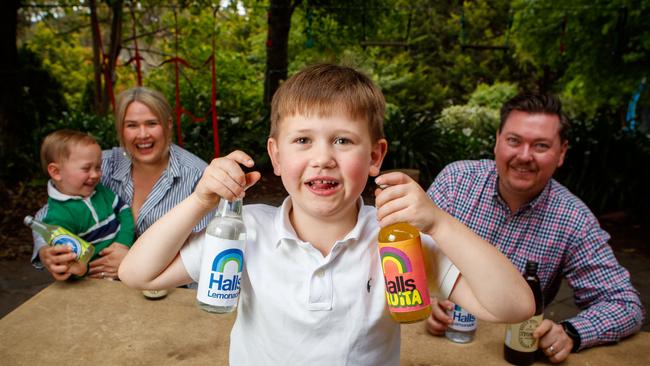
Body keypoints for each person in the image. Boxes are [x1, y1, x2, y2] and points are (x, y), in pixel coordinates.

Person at [118, 64, 534, 365]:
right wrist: (201, 201)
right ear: (276, 157)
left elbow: (514, 307)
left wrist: (440, 223)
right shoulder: (248, 231)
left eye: (342, 140)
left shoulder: (397, 241)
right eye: (302, 140)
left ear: (375, 156)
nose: (322, 158)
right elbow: (138, 274)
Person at [425, 93, 646, 363]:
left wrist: (571, 333)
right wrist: (426, 300)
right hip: (432, 346)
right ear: (497, 141)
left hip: (506, 355)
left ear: (561, 153)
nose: (524, 156)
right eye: (514, 141)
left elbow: (625, 303)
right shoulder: (455, 182)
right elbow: (403, 256)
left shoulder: (573, 219)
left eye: (540, 146)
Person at [32, 87, 212, 281]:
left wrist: (135, 262)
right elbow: (49, 213)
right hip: (95, 288)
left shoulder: (197, 176)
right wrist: (46, 250)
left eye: (152, 123)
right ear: (121, 129)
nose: (142, 134)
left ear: (168, 125)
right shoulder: (102, 165)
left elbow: (205, 248)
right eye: (132, 125)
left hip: (165, 291)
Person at [34, 129, 134, 279]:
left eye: (98, 167)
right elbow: (67, 262)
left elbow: (124, 211)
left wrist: (123, 243)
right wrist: (80, 270)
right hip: (95, 281)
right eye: (86, 168)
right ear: (56, 172)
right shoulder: (58, 217)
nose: (95, 175)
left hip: (128, 266)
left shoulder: (100, 191)